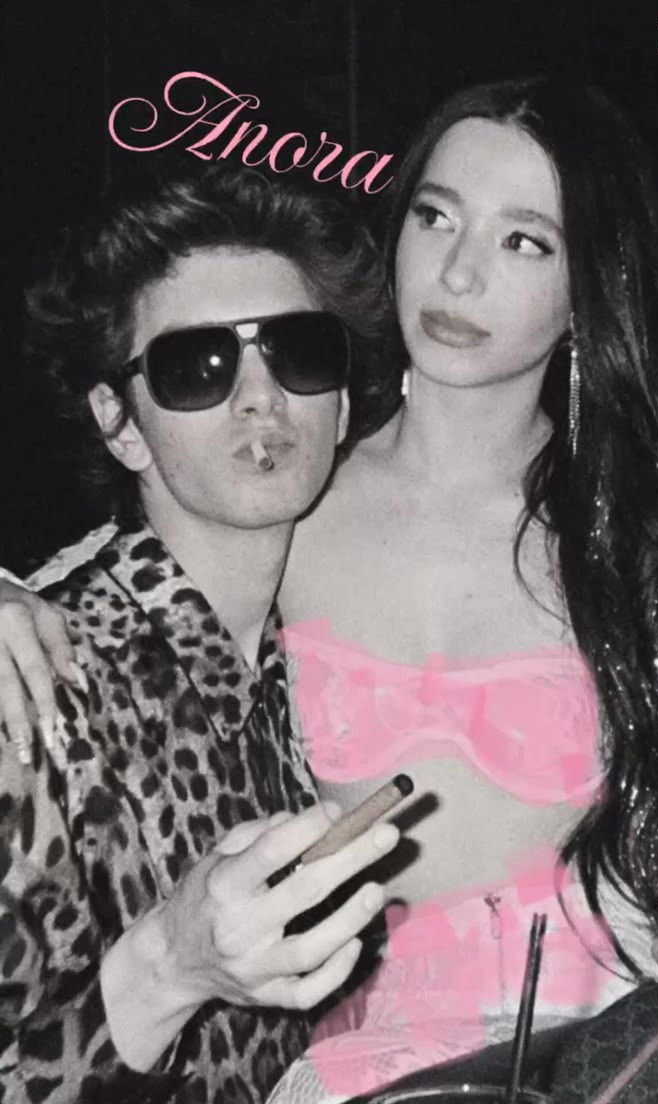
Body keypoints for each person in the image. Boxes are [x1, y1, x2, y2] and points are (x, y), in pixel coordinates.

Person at [3, 78, 658, 1101]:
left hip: (608, 1040)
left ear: (590, 289)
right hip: (365, 1061)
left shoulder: (640, 533)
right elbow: (137, 558)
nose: (460, 272)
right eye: (435, 217)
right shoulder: (291, 496)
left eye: (523, 240)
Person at [0, 166, 403, 1104]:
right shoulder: (33, 685)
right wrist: (170, 966)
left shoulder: (305, 674)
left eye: (300, 352)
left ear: (342, 404)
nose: (262, 396)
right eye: (197, 366)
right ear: (121, 425)